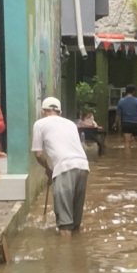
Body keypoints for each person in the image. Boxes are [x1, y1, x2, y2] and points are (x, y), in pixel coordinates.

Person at [32, 97, 90, 236]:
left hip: (64, 168)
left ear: (42, 111)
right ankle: (77, 250)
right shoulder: (71, 124)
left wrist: (48, 170)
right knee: (75, 221)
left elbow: (39, 154)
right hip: (83, 165)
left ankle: (65, 254)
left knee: (65, 222)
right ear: (60, 112)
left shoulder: (40, 124)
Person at [114, 85, 137, 149]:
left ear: (126, 92)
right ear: (133, 92)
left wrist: (115, 123)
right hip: (136, 123)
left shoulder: (121, 101)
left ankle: (127, 157)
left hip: (126, 123)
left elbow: (118, 114)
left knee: (127, 142)